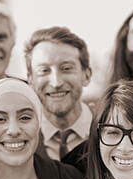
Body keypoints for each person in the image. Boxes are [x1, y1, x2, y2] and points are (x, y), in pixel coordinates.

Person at [24, 26, 92, 160]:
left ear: (87, 76)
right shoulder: (20, 140)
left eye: (66, 68)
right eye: (44, 70)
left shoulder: (109, 131)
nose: (56, 83)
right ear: (30, 80)